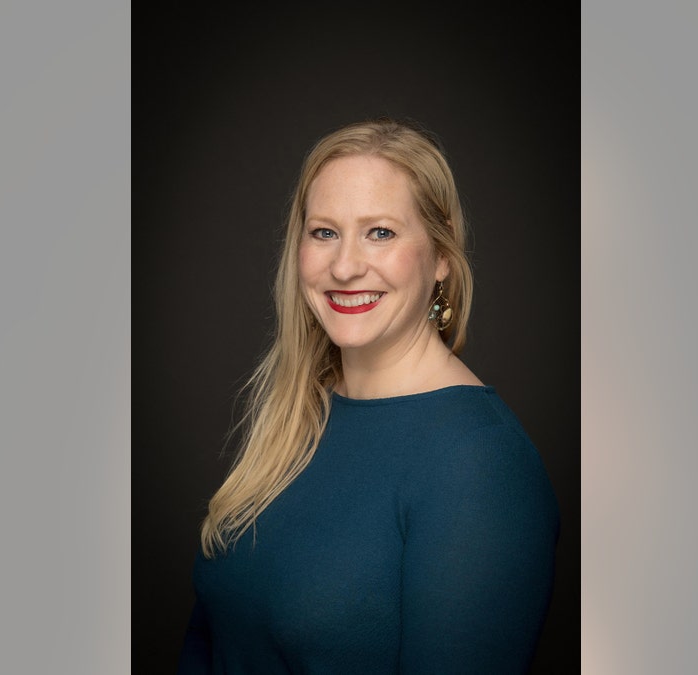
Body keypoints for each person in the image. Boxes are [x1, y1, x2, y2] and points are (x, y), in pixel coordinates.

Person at [176, 117, 560, 674]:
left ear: (443, 252)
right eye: (324, 232)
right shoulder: (296, 414)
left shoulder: (480, 465)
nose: (346, 266)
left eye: (380, 232)